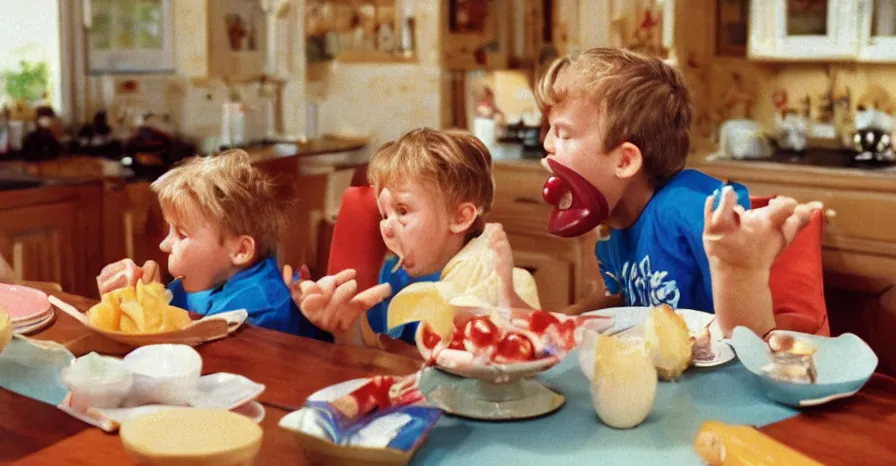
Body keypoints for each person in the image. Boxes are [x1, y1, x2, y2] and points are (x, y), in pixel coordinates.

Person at [531, 47, 821, 338]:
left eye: (563, 133)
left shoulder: (687, 206)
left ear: (624, 161)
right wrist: (564, 319)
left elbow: (752, 329)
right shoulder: (615, 231)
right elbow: (626, 303)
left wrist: (738, 251)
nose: (548, 144)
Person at [286, 128, 525, 346]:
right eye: (384, 214)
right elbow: (385, 358)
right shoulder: (395, 274)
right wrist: (345, 329)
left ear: (460, 217)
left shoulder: (493, 281)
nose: (387, 228)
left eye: (402, 211)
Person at [96, 149, 324, 338]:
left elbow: (198, 358)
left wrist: (151, 309)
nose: (165, 245)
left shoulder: (256, 312)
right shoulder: (204, 280)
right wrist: (140, 295)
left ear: (241, 250)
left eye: (181, 234)